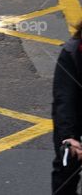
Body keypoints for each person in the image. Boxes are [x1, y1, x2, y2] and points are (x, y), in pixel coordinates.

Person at [52, 20, 82, 193]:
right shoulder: (71, 53)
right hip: (75, 115)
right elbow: (65, 99)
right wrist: (68, 137)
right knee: (67, 165)